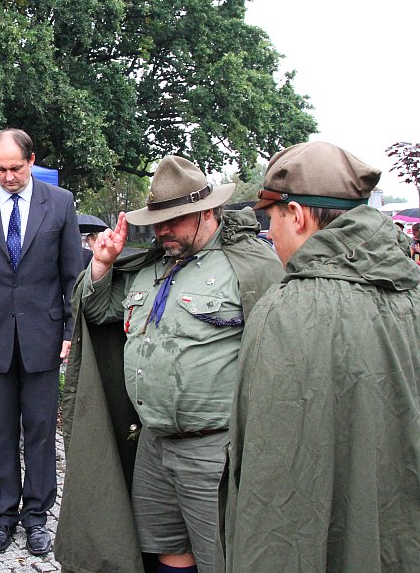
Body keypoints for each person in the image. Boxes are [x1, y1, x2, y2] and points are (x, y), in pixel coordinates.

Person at [218, 142, 420, 572]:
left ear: (297, 215)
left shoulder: (285, 309)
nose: (270, 234)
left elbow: (272, 491)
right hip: (405, 545)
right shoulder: (416, 297)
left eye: (272, 219)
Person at [56, 155, 283, 573]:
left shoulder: (251, 266)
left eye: (174, 220)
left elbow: (282, 355)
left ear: (207, 211)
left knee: (221, 556)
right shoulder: (150, 267)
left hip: (215, 449)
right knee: (166, 551)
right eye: (157, 220)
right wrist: (102, 265)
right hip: (153, 443)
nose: (162, 231)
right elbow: (100, 313)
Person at [0, 128, 81, 556]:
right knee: (1, 432)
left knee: (41, 432)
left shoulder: (59, 203)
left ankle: (38, 516)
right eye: (0, 168)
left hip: (44, 337)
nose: (7, 176)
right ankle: (3, 517)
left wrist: (69, 332)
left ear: (31, 160)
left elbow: (71, 277)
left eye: (15, 168)